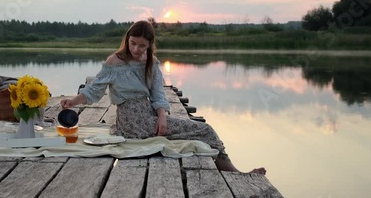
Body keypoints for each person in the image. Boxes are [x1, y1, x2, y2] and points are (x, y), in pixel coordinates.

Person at [60, 20, 266, 175]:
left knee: (201, 130)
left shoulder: (152, 62)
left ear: (150, 45)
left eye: (142, 46)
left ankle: (232, 172)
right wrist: (73, 101)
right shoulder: (115, 61)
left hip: (149, 114)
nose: (136, 49)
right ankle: (235, 173)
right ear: (127, 39)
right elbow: (94, 90)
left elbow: (158, 93)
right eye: (133, 43)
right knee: (205, 130)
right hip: (131, 120)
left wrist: (162, 116)